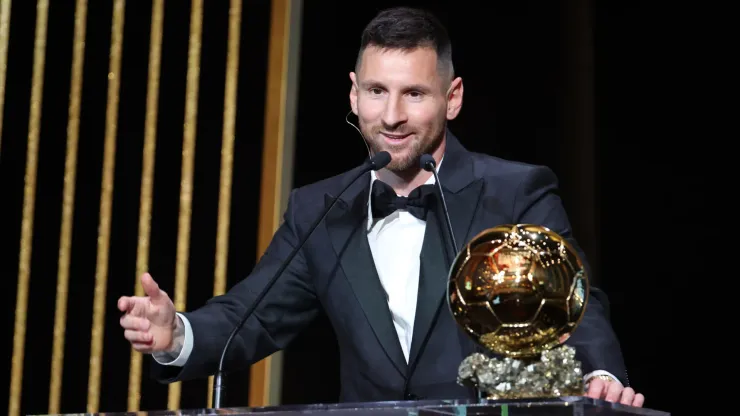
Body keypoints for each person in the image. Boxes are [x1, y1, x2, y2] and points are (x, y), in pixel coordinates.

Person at [118, 6, 645, 407]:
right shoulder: (320, 209)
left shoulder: (514, 191)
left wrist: (602, 376)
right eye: (376, 91)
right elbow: (248, 317)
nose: (391, 115)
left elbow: (574, 301)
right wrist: (176, 334)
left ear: (452, 98)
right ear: (353, 95)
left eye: (414, 94)